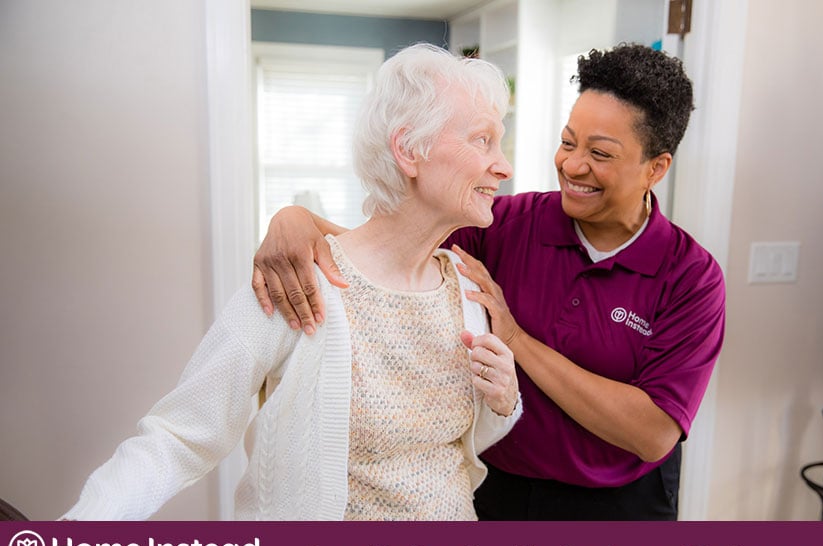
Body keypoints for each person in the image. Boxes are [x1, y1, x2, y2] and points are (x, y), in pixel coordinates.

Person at [252, 43, 726, 521]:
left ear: (656, 168)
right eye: (567, 142)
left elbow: (652, 433)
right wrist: (296, 220)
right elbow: (388, 248)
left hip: (618, 509)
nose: (572, 165)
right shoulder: (509, 223)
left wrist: (516, 339)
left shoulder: (691, 277)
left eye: (600, 153)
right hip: (498, 491)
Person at [62, 43, 521, 521]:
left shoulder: (466, 290)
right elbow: (180, 436)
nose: (504, 166)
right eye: (482, 140)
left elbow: (449, 443)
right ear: (408, 150)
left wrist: (503, 400)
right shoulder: (300, 280)